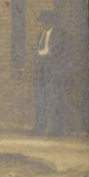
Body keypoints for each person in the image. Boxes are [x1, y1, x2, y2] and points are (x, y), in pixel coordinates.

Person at [32, 9, 72, 137]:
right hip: (41, 71)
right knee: (40, 100)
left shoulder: (59, 34)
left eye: (45, 22)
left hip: (53, 72)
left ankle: (55, 129)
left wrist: (58, 68)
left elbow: (63, 54)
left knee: (54, 100)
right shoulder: (40, 35)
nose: (43, 24)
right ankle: (39, 128)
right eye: (41, 22)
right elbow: (37, 53)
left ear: (50, 22)